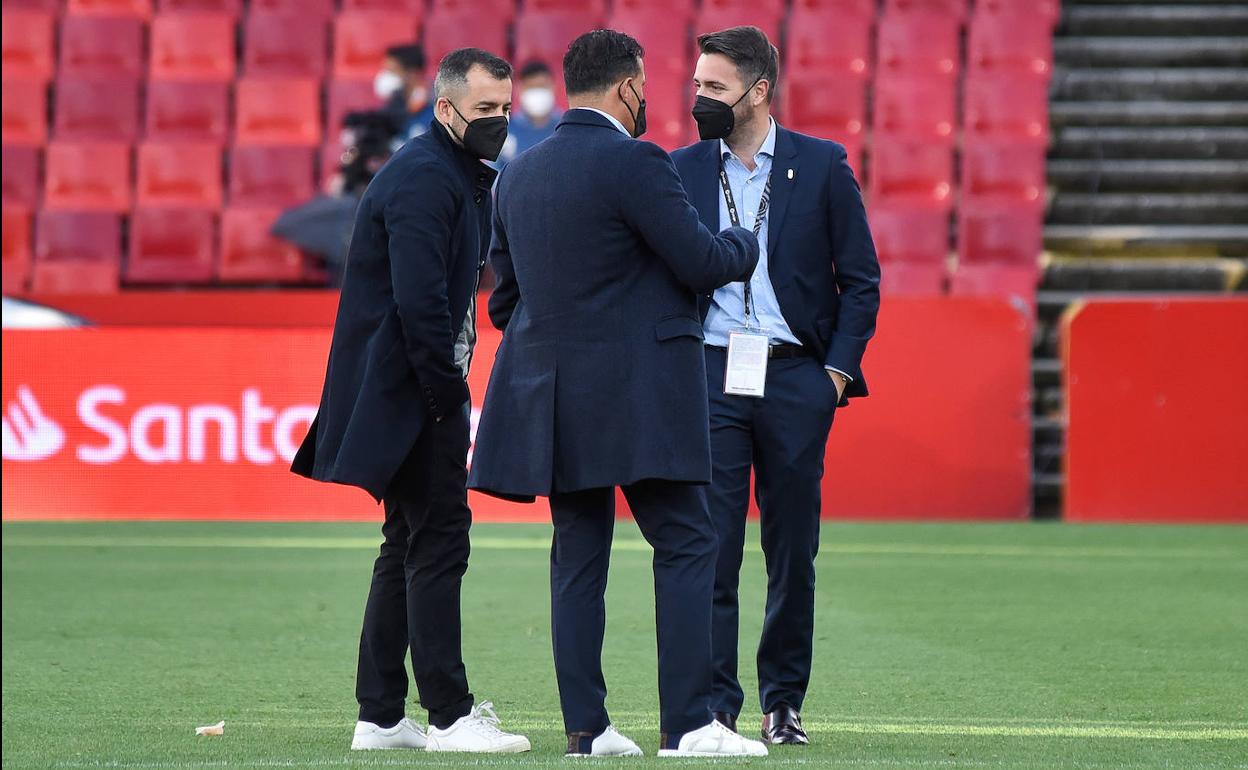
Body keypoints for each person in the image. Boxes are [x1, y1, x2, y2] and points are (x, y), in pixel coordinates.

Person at [468, 29, 769, 759]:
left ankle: (588, 730)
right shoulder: (638, 161)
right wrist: (749, 240)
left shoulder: (521, 174)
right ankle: (691, 725)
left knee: (578, 554)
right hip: (640, 394)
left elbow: (505, 302)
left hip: (556, 395)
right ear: (629, 87)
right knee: (689, 541)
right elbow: (701, 261)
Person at [290, 48, 530, 755]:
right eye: (485, 109)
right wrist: (444, 394)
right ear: (445, 108)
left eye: (505, 108)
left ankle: (382, 714)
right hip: (416, 391)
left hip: (402, 387)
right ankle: (451, 716)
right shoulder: (428, 180)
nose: (499, 121)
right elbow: (423, 305)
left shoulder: (445, 173)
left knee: (406, 543)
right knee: (438, 541)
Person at [670, 26, 881, 746]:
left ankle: (783, 701)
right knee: (714, 545)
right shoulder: (680, 170)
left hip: (796, 376)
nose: (700, 98)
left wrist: (832, 376)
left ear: (758, 91)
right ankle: (717, 708)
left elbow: (862, 282)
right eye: (698, 85)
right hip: (711, 373)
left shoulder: (822, 167)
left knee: (793, 548)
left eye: (714, 88)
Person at [497, 60, 562, 167]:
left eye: (542, 86)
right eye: (531, 87)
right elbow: (492, 176)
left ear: (553, 86)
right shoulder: (506, 131)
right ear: (519, 90)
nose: (537, 92)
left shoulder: (566, 125)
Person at [375, 44, 435, 142]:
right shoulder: (394, 104)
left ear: (412, 73)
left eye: (392, 71)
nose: (385, 76)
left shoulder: (436, 104)